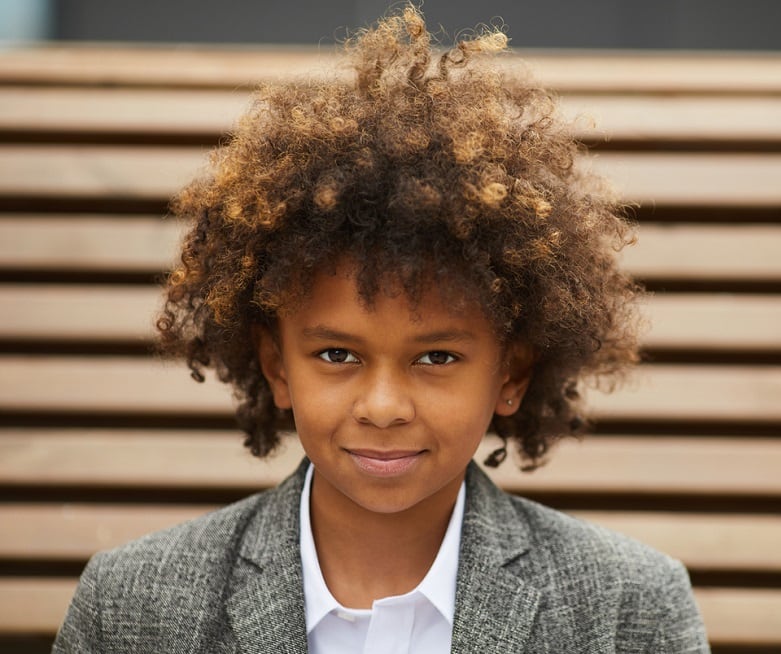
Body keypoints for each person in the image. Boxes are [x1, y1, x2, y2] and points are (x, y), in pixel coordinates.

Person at [53, 6, 709, 652]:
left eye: (438, 358)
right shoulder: (132, 608)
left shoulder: (631, 613)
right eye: (337, 353)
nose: (385, 407)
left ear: (511, 373)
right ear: (277, 366)